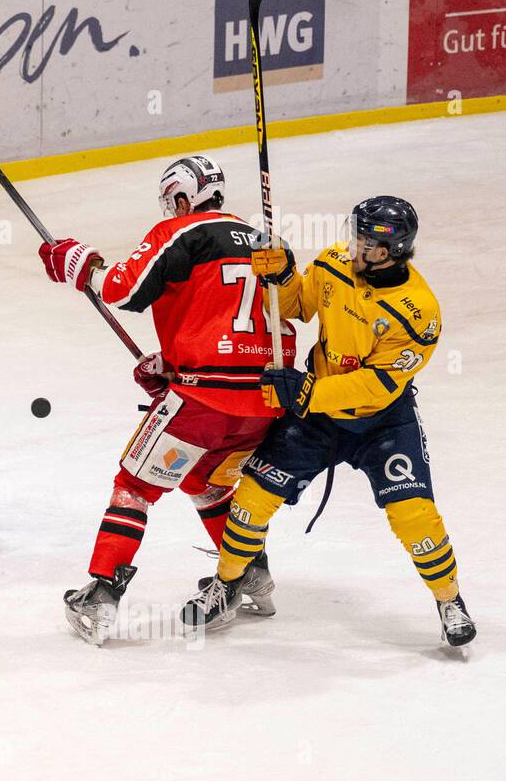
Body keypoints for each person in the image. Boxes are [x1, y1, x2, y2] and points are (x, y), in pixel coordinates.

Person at [181, 196, 475, 648]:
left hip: (382, 425)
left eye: (363, 238)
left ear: (389, 249)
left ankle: (449, 600)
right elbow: (296, 305)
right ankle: (228, 583)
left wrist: (307, 393)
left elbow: (377, 386)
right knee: (251, 500)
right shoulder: (335, 263)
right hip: (316, 419)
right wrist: (279, 276)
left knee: (414, 515)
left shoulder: (420, 312)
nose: (352, 242)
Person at [39, 155, 294, 645]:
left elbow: (122, 288)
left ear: (182, 198)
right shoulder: (270, 244)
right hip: (263, 402)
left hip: (203, 403)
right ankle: (252, 572)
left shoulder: (183, 232)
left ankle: (101, 597)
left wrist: (83, 266)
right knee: (205, 478)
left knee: (135, 485)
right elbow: (260, 323)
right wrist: (178, 364)